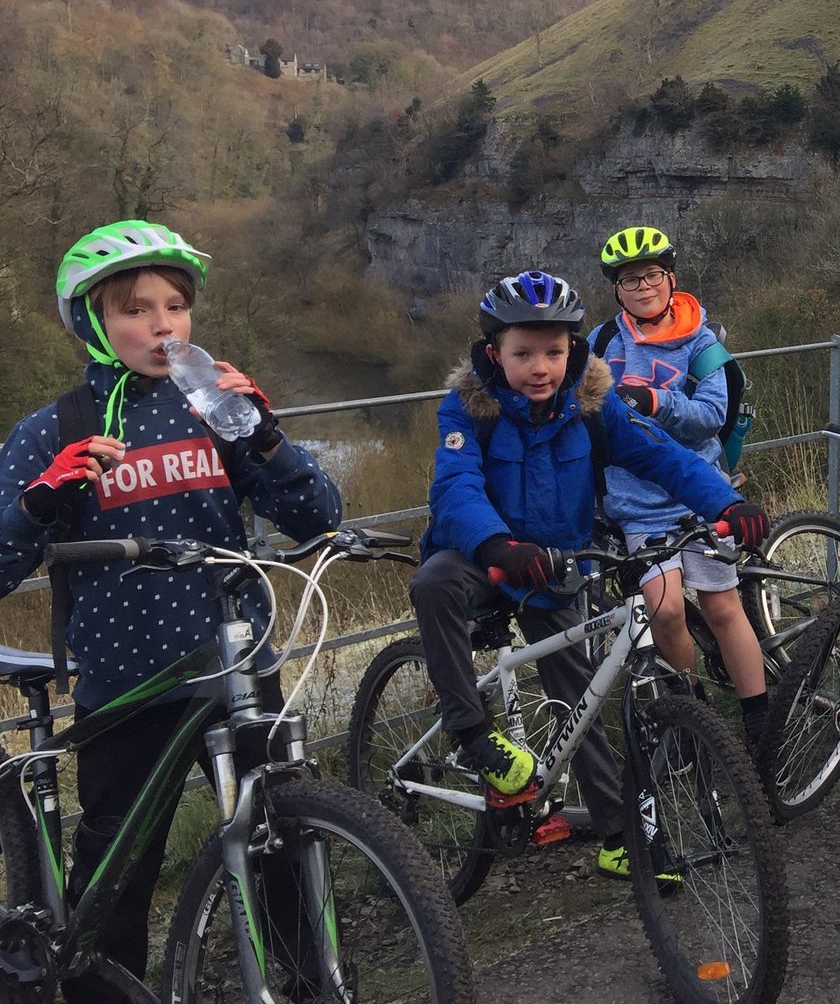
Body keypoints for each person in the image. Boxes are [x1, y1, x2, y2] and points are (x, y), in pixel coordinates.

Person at [0, 220, 342, 996]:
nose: (162, 326)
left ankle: (309, 980)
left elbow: (318, 515)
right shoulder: (55, 429)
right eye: (135, 309)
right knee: (117, 870)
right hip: (128, 683)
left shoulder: (211, 407)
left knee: (280, 842)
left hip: (238, 665)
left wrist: (267, 440)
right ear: (92, 322)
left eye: (175, 307)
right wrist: (39, 502)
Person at [415, 269, 767, 881]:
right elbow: (456, 485)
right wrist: (496, 542)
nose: (540, 367)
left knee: (582, 696)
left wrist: (724, 504)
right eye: (523, 353)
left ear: (573, 350)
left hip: (554, 564)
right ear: (494, 353)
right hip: (483, 554)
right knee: (434, 584)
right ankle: (473, 733)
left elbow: (663, 456)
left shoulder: (593, 406)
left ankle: (616, 833)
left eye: (553, 352)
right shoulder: (469, 407)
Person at [590, 226, 772, 749]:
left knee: (721, 607)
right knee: (666, 610)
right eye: (629, 280)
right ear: (617, 290)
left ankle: (759, 722)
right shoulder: (603, 344)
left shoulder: (702, 343)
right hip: (635, 505)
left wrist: (654, 402)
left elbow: (712, 416)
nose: (642, 286)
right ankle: (696, 718)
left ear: (670, 279)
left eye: (650, 275)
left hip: (699, 495)